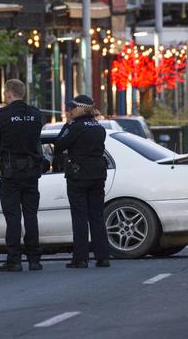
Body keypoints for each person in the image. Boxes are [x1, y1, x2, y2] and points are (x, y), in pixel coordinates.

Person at [0, 79, 44, 272]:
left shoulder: (3, 115)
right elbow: (37, 137)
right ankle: (34, 259)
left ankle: (14, 259)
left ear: (8, 94)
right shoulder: (36, 114)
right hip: (31, 172)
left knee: (13, 217)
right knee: (31, 216)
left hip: (11, 172)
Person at [54, 95, 110, 269]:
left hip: (79, 176)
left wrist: (66, 125)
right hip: (98, 175)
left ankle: (81, 258)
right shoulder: (99, 128)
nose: (70, 112)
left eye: (72, 109)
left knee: (80, 217)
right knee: (97, 216)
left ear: (79, 109)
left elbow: (59, 145)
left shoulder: (76, 127)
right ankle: (103, 257)